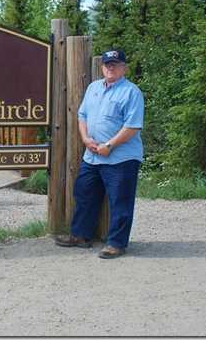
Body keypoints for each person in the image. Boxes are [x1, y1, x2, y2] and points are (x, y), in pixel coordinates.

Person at [54, 48, 144, 259]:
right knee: (84, 194)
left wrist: (110, 145)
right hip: (92, 155)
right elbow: (82, 114)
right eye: (108, 65)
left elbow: (132, 126)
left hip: (121, 157)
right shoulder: (94, 87)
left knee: (120, 202)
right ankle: (80, 235)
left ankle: (116, 243)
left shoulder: (132, 92)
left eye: (115, 64)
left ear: (124, 68)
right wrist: (85, 138)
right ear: (102, 67)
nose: (111, 68)